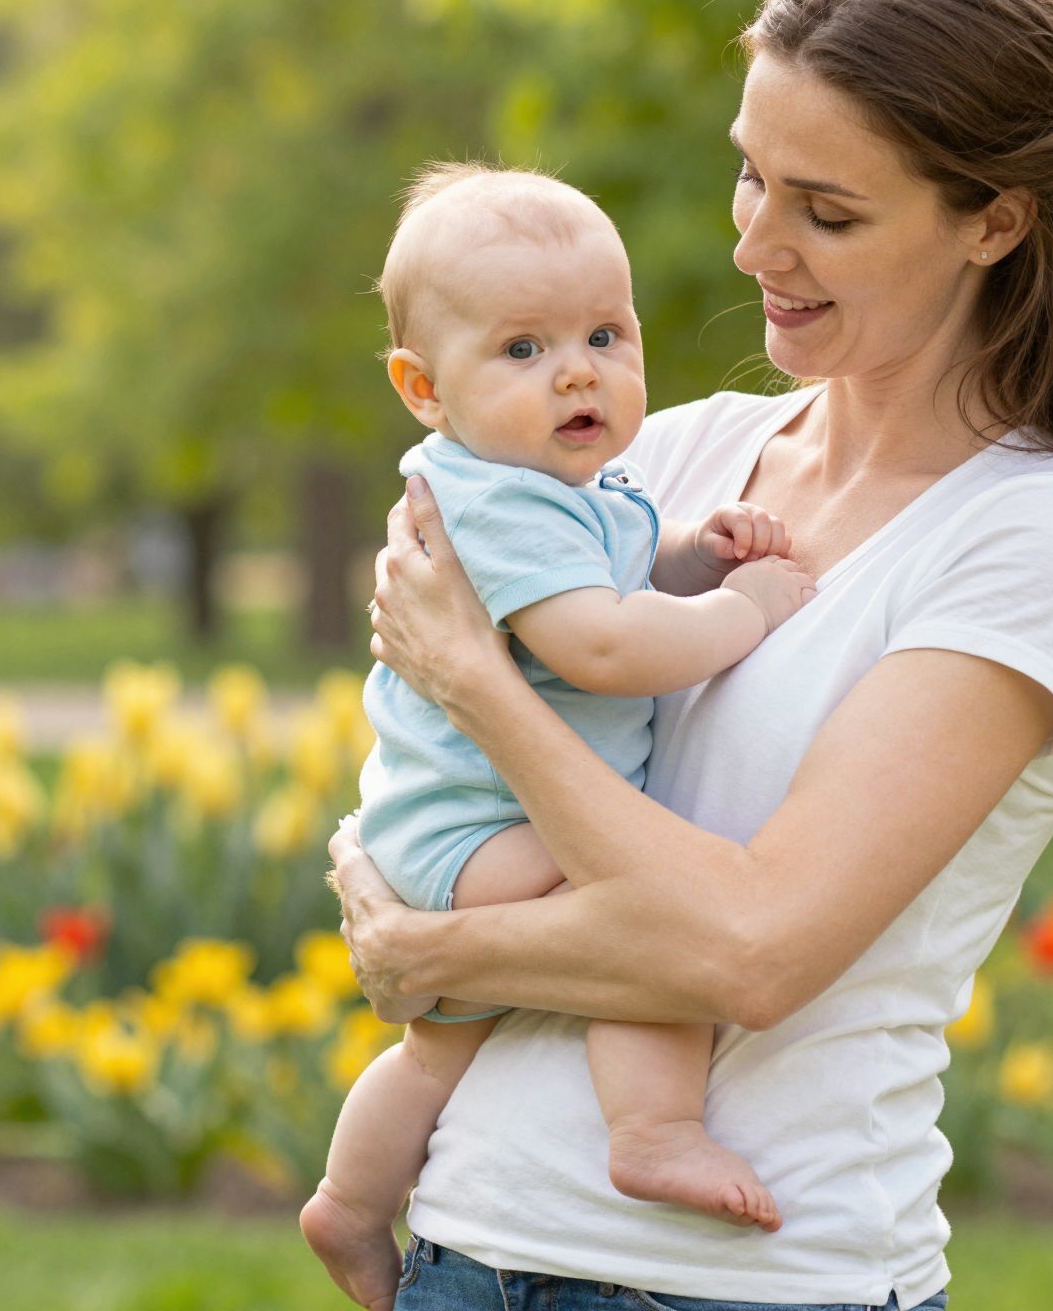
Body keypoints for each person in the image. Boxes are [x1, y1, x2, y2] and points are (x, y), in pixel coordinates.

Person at [330, 0, 1053, 1311]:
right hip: (467, 1252)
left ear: (994, 220)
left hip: (747, 1285)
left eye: (829, 210)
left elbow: (750, 951)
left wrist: (435, 939)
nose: (757, 242)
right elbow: (429, 780)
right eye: (751, 175)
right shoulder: (666, 460)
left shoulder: (1027, 542)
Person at [303, 163, 819, 1311]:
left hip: (457, 824)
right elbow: (599, 646)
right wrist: (741, 610)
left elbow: (623, 567)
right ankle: (652, 1129)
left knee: (439, 1050)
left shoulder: (561, 483)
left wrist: (696, 552)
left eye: (602, 332)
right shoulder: (497, 499)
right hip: (475, 828)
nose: (578, 369)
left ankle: (347, 1201)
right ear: (423, 388)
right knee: (643, 918)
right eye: (522, 350)